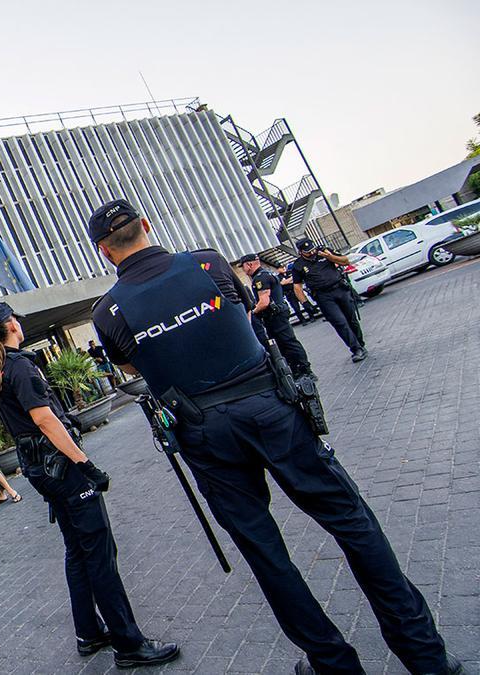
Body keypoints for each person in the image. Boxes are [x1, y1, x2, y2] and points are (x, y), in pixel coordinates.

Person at [87, 198, 460, 675]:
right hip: (270, 406)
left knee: (266, 553)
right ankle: (425, 656)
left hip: (204, 431)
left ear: (103, 251)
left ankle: (332, 663)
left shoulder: (109, 311)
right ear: (146, 225)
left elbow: (134, 368)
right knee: (351, 520)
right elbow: (241, 320)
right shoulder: (208, 263)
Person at [0, 302, 179, 668]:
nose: (20, 323)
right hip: (61, 468)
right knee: (99, 551)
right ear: (10, 325)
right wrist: (85, 464)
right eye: (16, 319)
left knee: (77, 549)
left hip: (39, 469)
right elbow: (45, 420)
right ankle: (129, 644)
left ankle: (89, 631)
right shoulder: (20, 366)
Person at [291, 237, 368, 362]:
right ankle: (355, 349)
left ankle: (360, 343)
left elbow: (345, 261)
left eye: (312, 249)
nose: (312, 253)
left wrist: (330, 257)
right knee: (340, 322)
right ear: (300, 252)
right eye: (308, 252)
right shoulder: (298, 265)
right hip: (323, 296)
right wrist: (305, 303)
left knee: (351, 319)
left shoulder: (325, 252)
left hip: (340, 289)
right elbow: (297, 286)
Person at [235, 253, 312, 376]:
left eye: (243, 266)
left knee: (288, 343)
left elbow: (264, 302)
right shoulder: (266, 274)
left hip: (275, 316)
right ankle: (298, 369)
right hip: (277, 314)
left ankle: (305, 370)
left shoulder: (260, 278)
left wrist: (253, 312)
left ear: (249, 264)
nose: (243, 270)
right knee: (285, 344)